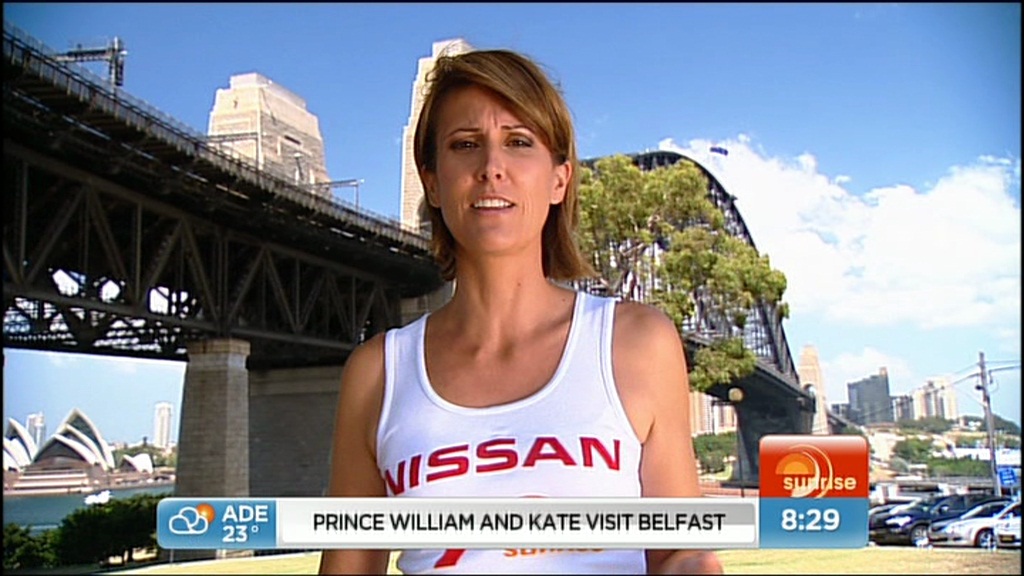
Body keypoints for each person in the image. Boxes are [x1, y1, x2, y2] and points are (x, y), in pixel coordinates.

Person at [318, 46, 724, 575]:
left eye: (518, 142)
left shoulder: (636, 343)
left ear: (559, 179)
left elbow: (679, 549)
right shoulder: (378, 372)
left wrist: (696, 566)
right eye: (465, 145)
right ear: (433, 182)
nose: (492, 168)